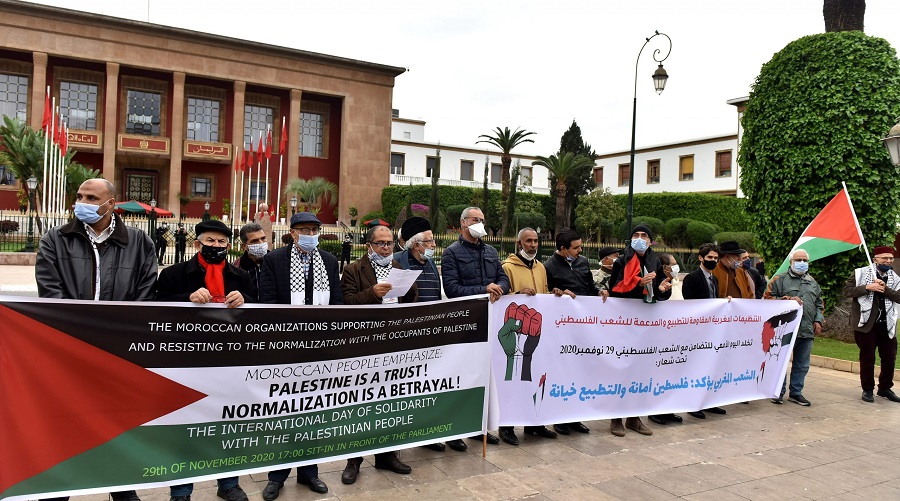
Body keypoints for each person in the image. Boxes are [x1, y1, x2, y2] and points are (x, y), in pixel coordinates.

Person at [35, 178, 156, 501]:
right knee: (64, 425)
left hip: (117, 355)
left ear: (111, 203)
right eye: (79, 196)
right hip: (68, 354)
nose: (82, 202)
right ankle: (56, 491)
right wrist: (81, 342)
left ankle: (121, 488)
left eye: (91, 197)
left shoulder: (140, 243)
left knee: (116, 427)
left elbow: (144, 297)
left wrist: (118, 341)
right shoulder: (56, 240)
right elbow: (52, 297)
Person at [154, 219, 252, 501]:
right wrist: (186, 298)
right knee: (186, 426)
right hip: (188, 362)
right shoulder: (175, 274)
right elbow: (156, 307)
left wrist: (244, 298)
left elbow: (257, 309)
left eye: (222, 242)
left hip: (229, 362)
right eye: (210, 241)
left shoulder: (240, 276)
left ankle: (228, 484)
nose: (216, 246)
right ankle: (182, 491)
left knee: (227, 424)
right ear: (197, 243)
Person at [258, 212, 338, 500]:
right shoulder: (275, 260)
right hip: (285, 349)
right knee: (284, 413)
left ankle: (309, 474)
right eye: (304, 229)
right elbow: (266, 301)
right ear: (292, 233)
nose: (310, 234)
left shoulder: (329, 261)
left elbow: (338, 304)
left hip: (319, 350)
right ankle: (277, 476)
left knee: (312, 413)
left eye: (315, 229)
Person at [339, 225, 417, 484]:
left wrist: (407, 290)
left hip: (394, 342)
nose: (386, 248)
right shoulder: (352, 270)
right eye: (381, 243)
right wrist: (371, 294)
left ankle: (387, 456)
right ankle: (354, 460)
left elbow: (411, 303)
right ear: (368, 245)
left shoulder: (400, 267)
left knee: (390, 401)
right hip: (364, 345)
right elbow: (345, 305)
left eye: (390, 243)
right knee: (359, 404)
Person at [392, 217, 468, 452]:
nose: (434, 244)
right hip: (408, 336)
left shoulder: (431, 263)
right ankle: (415, 432)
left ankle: (437, 431)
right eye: (429, 241)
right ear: (416, 244)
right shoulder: (397, 262)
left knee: (433, 385)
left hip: (432, 333)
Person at [442, 206, 510, 445]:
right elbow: (452, 289)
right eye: (475, 219)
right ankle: (455, 430)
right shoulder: (451, 253)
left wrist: (498, 287)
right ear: (463, 223)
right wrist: (483, 290)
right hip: (466, 323)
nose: (480, 223)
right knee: (464, 376)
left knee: (485, 376)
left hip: (491, 322)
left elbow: (504, 279)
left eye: (482, 219)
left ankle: (477, 426)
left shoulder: (491, 251)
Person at [497, 227, 561, 445]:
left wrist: (553, 295)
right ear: (519, 244)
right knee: (513, 380)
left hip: (536, 332)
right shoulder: (507, 267)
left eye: (536, 241)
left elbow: (543, 292)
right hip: (515, 334)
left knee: (536, 377)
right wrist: (518, 294)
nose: (533, 245)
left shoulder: (541, 267)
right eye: (528, 241)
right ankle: (507, 426)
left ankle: (535, 423)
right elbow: (501, 297)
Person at [608, 224, 673, 437]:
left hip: (646, 324)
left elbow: (658, 294)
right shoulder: (622, 261)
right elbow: (615, 289)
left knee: (641, 370)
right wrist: (638, 284)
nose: (639, 238)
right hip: (625, 323)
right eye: (635, 235)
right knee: (622, 369)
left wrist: (662, 290)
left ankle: (634, 418)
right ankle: (616, 418)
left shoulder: (655, 261)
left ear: (650, 240)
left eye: (644, 235)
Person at [543, 228, 600, 436]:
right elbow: (545, 293)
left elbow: (589, 287)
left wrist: (599, 292)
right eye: (576, 248)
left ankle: (575, 416)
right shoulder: (548, 266)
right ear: (563, 249)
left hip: (584, 327)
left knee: (582, 372)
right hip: (562, 330)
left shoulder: (583, 262)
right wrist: (554, 293)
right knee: (562, 373)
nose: (580, 250)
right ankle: (559, 418)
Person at [670, 243, 728, 420]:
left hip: (711, 331)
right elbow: (691, 304)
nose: (713, 261)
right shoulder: (692, 278)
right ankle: (692, 403)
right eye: (710, 258)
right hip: (697, 330)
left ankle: (707, 401)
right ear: (701, 258)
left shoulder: (715, 279)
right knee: (695, 369)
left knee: (709, 367)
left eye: (716, 258)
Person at [764, 249, 823, 406]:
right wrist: (786, 300)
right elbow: (767, 298)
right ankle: (778, 392)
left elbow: (819, 303)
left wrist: (818, 320)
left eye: (805, 260)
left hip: (806, 330)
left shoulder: (813, 282)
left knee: (802, 364)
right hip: (784, 329)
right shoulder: (780, 279)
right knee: (781, 361)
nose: (802, 263)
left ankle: (796, 393)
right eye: (799, 260)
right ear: (791, 262)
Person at [843, 246, 900, 404]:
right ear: (875, 259)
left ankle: (885, 388)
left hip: (887, 324)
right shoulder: (860, 273)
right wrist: (867, 287)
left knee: (889, 357)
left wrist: (884, 289)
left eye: (890, 258)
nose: (888, 261)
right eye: (884, 258)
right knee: (867, 358)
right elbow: (847, 291)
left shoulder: (895, 278)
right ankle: (867, 389)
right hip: (865, 324)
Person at [233, 222, 268, 301]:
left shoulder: (275, 262)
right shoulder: (236, 267)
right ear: (244, 246)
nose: (261, 243)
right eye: (255, 241)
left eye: (263, 238)